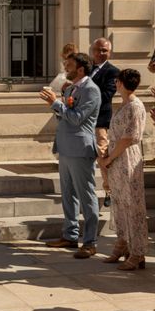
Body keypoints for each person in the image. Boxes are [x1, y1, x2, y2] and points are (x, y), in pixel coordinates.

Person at [40, 52, 101, 258]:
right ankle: (70, 235)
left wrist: (56, 103)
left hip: (80, 149)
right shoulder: (73, 87)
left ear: (81, 69)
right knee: (68, 194)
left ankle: (90, 242)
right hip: (66, 148)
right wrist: (57, 106)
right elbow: (64, 115)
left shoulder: (91, 90)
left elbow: (77, 119)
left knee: (86, 196)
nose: (66, 67)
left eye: (70, 64)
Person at [99, 69, 148, 270]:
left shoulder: (135, 106)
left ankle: (138, 253)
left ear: (120, 83)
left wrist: (110, 157)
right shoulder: (124, 104)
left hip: (127, 159)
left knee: (133, 206)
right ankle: (122, 244)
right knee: (119, 203)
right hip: (117, 159)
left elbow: (129, 138)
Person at [89, 38, 119, 198]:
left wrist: (85, 98)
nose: (100, 53)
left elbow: (107, 95)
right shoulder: (86, 68)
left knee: (103, 156)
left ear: (109, 52)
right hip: (83, 122)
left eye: (104, 50)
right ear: (92, 50)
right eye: (98, 50)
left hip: (100, 121)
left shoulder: (113, 71)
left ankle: (108, 191)